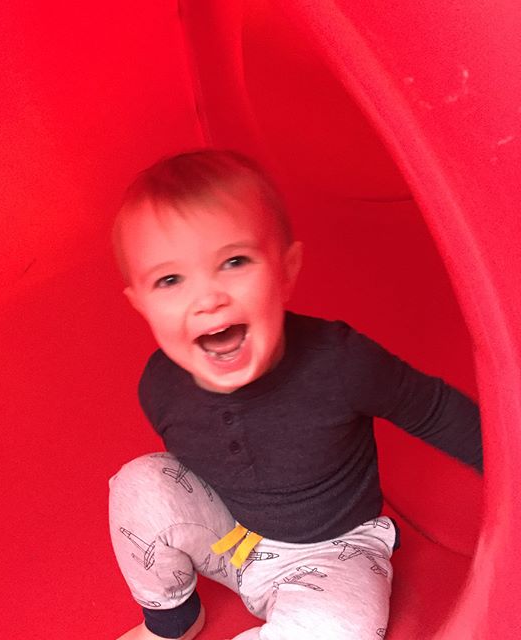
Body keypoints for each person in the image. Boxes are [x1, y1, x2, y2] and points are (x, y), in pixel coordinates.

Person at [108, 149, 482, 639]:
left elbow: (435, 411)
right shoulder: (159, 386)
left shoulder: (341, 362)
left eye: (234, 261)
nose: (207, 299)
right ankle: (171, 620)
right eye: (170, 279)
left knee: (340, 627)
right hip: (235, 537)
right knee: (141, 481)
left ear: (286, 271)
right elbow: (206, 472)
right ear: (140, 303)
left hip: (335, 553)